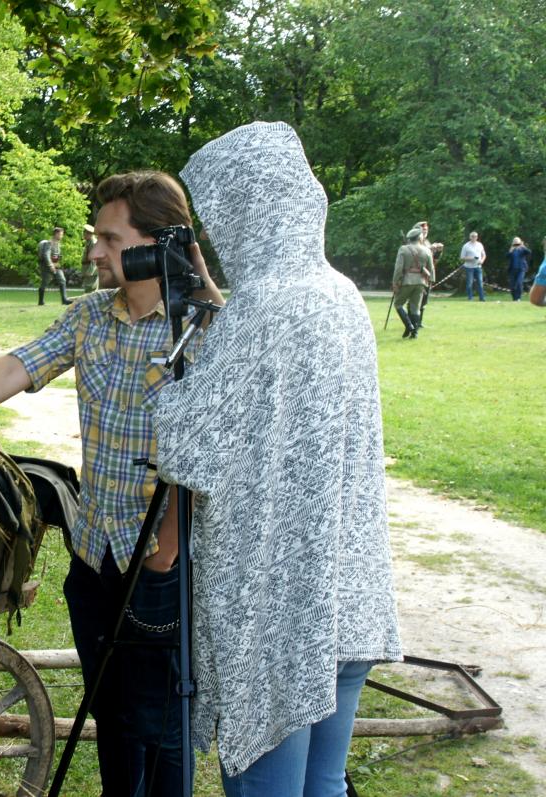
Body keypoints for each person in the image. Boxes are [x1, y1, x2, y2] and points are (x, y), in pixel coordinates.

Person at [0, 171, 223, 795]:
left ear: (155, 243)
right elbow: (17, 366)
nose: (92, 253)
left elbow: (226, 445)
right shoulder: (88, 315)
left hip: (163, 565)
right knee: (110, 711)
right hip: (94, 556)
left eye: (110, 240)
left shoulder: (208, 327)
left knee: (162, 722)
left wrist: (168, 550)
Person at [155, 120, 402, 797]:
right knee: (323, 787)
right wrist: (218, 308)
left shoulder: (260, 309)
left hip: (274, 613)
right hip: (343, 593)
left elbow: (190, 453)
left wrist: (168, 388)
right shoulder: (342, 294)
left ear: (242, 210)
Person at [391, 226, 434, 338]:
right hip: (421, 282)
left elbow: (398, 268)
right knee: (415, 307)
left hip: (407, 281)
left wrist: (395, 282)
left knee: (398, 304)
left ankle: (409, 326)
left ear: (410, 238)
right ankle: (415, 332)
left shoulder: (403, 249)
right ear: (419, 237)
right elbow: (431, 268)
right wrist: (431, 281)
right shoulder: (427, 250)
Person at [37, 226, 72, 306]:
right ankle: (40, 301)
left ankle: (64, 299)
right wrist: (50, 265)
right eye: (60, 234)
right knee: (45, 283)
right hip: (47, 266)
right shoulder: (49, 243)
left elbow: (57, 255)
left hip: (56, 265)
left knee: (62, 280)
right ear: (56, 234)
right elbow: (46, 255)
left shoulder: (57, 244)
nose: (62, 236)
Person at [459, 231, 487, 301]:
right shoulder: (466, 246)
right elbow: (462, 257)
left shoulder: (480, 245)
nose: (474, 237)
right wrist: (472, 258)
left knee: (480, 283)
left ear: (477, 237)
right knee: (469, 284)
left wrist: (482, 261)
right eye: (472, 236)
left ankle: (482, 298)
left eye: (475, 236)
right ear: (470, 237)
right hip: (469, 267)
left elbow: (484, 255)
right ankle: (470, 298)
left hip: (478, 267)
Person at [506, 237, 532, 301]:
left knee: (519, 283)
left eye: (517, 242)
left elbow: (529, 252)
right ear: (513, 243)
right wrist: (510, 251)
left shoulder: (522, 249)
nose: (516, 244)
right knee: (512, 285)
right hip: (512, 269)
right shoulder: (512, 249)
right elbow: (506, 256)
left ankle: (518, 298)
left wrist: (523, 246)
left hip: (521, 269)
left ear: (520, 242)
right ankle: (514, 298)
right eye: (515, 242)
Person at [80, 223, 99, 292]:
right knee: (88, 289)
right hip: (87, 269)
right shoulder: (88, 242)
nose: (83, 234)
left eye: (84, 232)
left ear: (89, 234)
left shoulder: (93, 243)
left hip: (91, 271)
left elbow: (94, 259)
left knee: (90, 289)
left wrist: (90, 271)